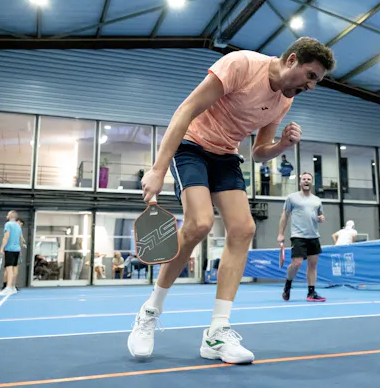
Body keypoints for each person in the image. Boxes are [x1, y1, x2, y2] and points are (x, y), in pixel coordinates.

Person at [128, 37, 335, 364]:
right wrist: (158, 169)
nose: (311, 85)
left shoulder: (285, 99)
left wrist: (282, 145)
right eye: (310, 75)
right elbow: (186, 109)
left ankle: (216, 333)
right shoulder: (241, 65)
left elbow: (258, 152)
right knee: (199, 224)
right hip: (191, 147)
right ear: (292, 59)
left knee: (243, 229)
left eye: (317, 81)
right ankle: (150, 311)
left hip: (226, 156)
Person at [278, 172, 327, 303]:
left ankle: (311, 292)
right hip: (298, 236)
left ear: (311, 182)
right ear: (300, 182)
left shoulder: (317, 200)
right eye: (304, 179)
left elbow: (320, 216)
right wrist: (281, 233)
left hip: (314, 236)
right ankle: (288, 285)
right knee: (297, 263)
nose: (306, 181)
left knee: (312, 265)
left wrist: (321, 218)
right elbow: (285, 216)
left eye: (309, 179)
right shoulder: (292, 198)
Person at [0, 211, 23, 296]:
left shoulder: (8, 224)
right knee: (14, 269)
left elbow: (6, 236)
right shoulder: (18, 226)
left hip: (10, 250)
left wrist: (2, 248)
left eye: (7, 214)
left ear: (10, 216)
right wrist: (19, 248)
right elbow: (21, 239)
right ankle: (13, 288)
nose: (6, 216)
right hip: (17, 250)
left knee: (9, 269)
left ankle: (8, 288)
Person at [2, 218, 25, 291]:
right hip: (10, 250)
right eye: (20, 224)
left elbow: (21, 239)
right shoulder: (12, 227)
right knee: (9, 269)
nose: (20, 226)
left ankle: (12, 286)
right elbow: (7, 238)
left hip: (15, 251)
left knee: (13, 269)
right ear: (17, 221)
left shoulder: (17, 229)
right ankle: (6, 286)